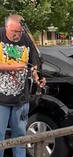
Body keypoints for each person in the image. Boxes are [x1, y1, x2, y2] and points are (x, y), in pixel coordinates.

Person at [0, 14, 45, 157]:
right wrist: (11, 67)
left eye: (20, 31)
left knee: (20, 136)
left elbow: (34, 64)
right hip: (1, 99)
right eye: (14, 32)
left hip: (20, 99)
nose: (17, 35)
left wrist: (37, 77)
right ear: (6, 27)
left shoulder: (26, 39)